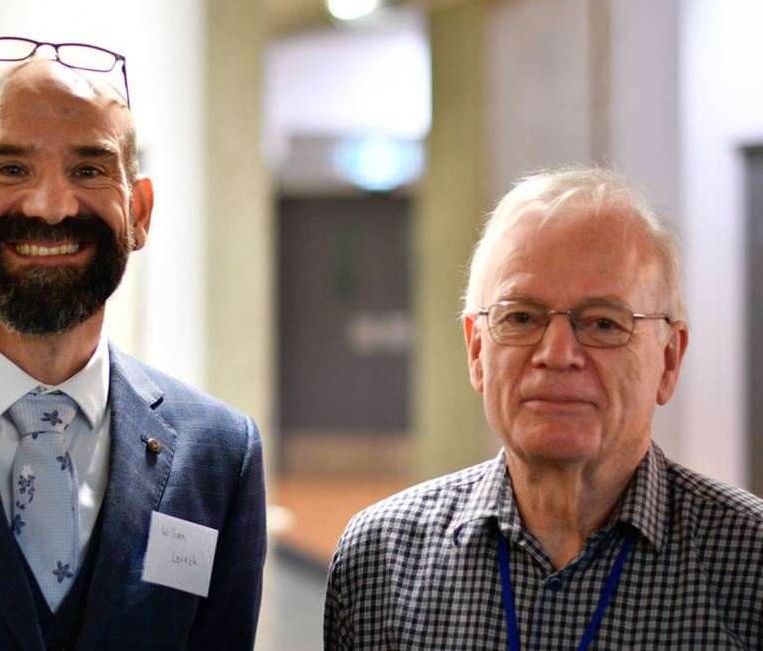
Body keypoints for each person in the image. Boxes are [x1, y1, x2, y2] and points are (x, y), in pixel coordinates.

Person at [0, 37, 266, 650]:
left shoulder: (220, 456)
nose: (52, 206)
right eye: (10, 169)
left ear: (139, 212)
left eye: (89, 170)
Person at [324, 168, 763, 650]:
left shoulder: (750, 562)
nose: (557, 353)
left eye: (602, 323)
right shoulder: (379, 562)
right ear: (476, 353)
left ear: (669, 359)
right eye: (521, 317)